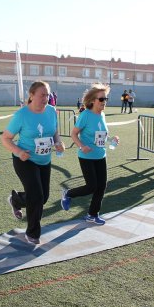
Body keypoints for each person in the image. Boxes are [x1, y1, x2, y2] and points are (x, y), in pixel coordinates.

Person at [1, 81, 65, 245]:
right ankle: (32, 233)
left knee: (43, 197)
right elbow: (6, 138)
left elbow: (55, 132)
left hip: (45, 160)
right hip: (25, 159)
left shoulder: (51, 111)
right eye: (42, 95)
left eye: (48, 94)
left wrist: (58, 143)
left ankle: (16, 200)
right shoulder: (22, 115)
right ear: (31, 95)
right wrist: (19, 152)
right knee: (36, 195)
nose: (46, 98)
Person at [60, 83, 117, 225]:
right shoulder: (85, 115)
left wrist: (112, 139)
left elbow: (102, 135)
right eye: (101, 99)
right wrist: (81, 146)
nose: (105, 102)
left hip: (100, 155)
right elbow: (73, 134)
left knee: (101, 186)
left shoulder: (102, 115)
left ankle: (92, 214)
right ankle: (68, 194)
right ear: (92, 101)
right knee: (91, 186)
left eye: (106, 99)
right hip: (86, 156)